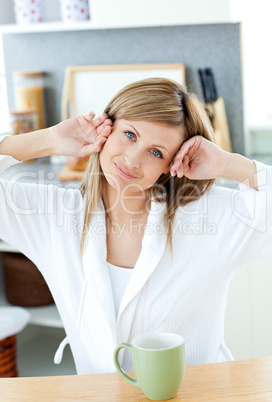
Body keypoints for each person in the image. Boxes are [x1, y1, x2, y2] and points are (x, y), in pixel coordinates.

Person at [0, 77, 271, 375]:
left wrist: (227, 165)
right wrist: (48, 141)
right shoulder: (52, 217)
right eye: (129, 134)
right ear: (107, 127)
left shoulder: (208, 217)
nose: (132, 160)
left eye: (156, 152)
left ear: (172, 165)